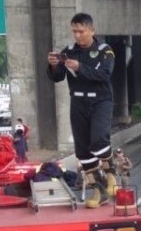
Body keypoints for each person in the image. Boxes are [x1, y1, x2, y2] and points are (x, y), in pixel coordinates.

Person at [47, 13, 115, 194]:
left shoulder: (104, 51)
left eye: (81, 31)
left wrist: (80, 67)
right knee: (83, 150)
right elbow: (57, 77)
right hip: (78, 101)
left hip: (100, 100)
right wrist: (54, 65)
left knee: (99, 140)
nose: (77, 35)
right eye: (74, 31)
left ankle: (111, 175)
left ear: (91, 30)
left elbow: (104, 75)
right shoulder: (68, 51)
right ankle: (98, 191)